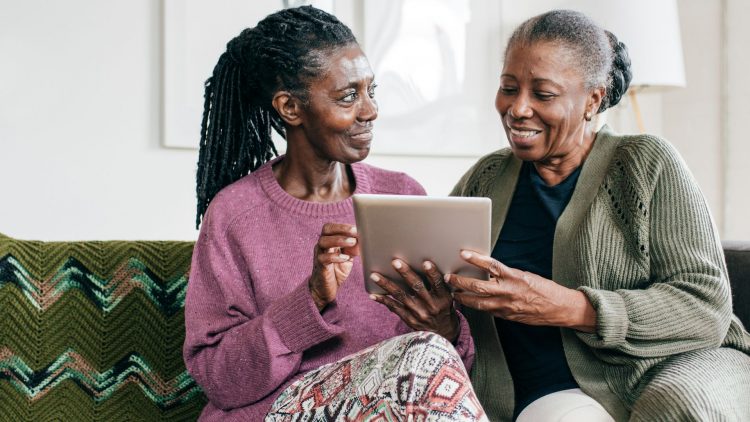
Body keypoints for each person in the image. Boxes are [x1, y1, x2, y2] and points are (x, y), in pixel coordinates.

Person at [443, 9, 750, 422]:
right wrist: (437, 314)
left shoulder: (645, 163)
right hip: (537, 393)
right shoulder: (485, 178)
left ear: (594, 98)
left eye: (543, 94)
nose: (518, 109)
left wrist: (571, 307)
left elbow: (705, 307)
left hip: (664, 368)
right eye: (508, 88)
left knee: (677, 405)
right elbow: (453, 300)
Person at [182, 6, 486, 421]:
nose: (370, 110)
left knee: (428, 351)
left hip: (393, 408)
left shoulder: (402, 194)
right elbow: (218, 377)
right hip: (276, 412)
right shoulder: (235, 215)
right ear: (291, 108)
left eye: (371, 91)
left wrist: (443, 325)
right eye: (348, 97)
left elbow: (443, 378)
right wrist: (311, 298)